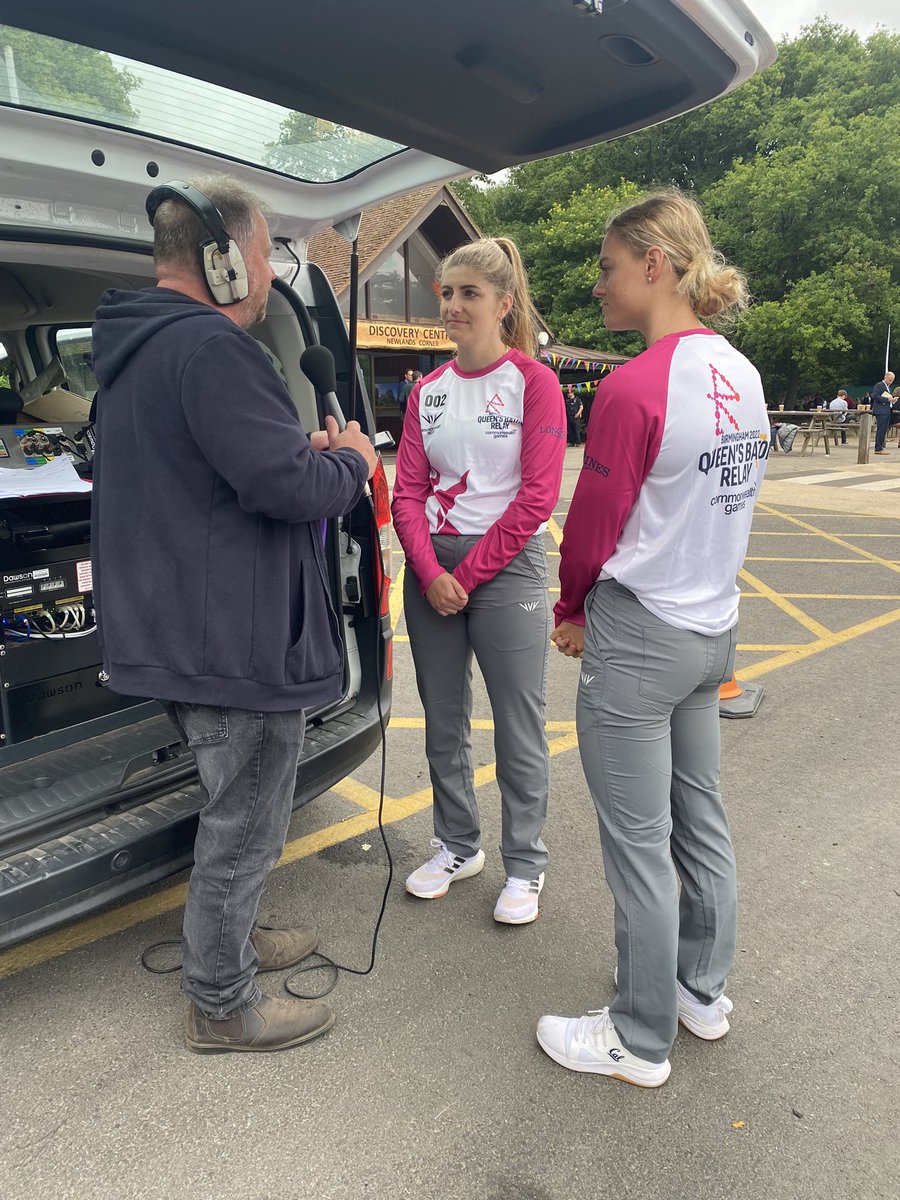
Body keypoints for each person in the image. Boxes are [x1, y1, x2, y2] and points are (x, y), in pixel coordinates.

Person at [90, 175, 377, 1054]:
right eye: (260, 259)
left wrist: (298, 455)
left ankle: (232, 939)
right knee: (246, 820)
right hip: (234, 641)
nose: (262, 279)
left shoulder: (134, 354)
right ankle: (221, 1001)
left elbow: (217, 478)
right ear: (223, 262)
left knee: (233, 807)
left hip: (178, 629)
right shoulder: (213, 353)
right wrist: (353, 462)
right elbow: (284, 486)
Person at [537, 190, 768, 1088]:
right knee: (697, 821)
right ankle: (699, 992)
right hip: (713, 626)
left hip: (642, 634)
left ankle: (638, 1036)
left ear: (654, 265)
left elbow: (593, 524)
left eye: (606, 267)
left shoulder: (637, 386)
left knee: (637, 842)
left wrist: (570, 608)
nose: (598, 286)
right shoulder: (742, 375)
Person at [391, 237, 566, 924]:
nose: (455, 306)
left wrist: (466, 573)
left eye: (470, 293)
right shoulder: (426, 392)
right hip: (432, 570)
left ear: (504, 304)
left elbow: (538, 497)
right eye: (447, 292)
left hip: (504, 566)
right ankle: (458, 845)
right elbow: (406, 492)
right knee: (442, 721)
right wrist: (431, 570)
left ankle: (525, 863)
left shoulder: (534, 383)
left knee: (518, 725)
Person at [871, 370, 895, 455]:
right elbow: (874, 396)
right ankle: (878, 448)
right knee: (881, 430)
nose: (890, 382)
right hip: (880, 410)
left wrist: (892, 400)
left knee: (884, 430)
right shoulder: (879, 385)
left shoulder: (889, 387)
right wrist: (886, 399)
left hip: (887, 409)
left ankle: (880, 447)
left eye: (892, 380)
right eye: (889, 380)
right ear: (885, 377)